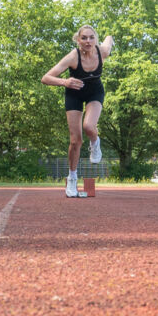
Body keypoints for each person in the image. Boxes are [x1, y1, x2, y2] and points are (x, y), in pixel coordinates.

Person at [41, 26, 114, 197]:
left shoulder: (102, 52)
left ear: (95, 39)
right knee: (75, 140)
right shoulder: (73, 56)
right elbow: (45, 78)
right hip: (74, 93)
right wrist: (65, 82)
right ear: (78, 40)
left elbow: (109, 41)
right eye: (84, 38)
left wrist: (109, 36)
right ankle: (72, 179)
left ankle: (95, 143)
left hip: (95, 92)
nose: (88, 41)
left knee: (89, 126)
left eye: (91, 38)